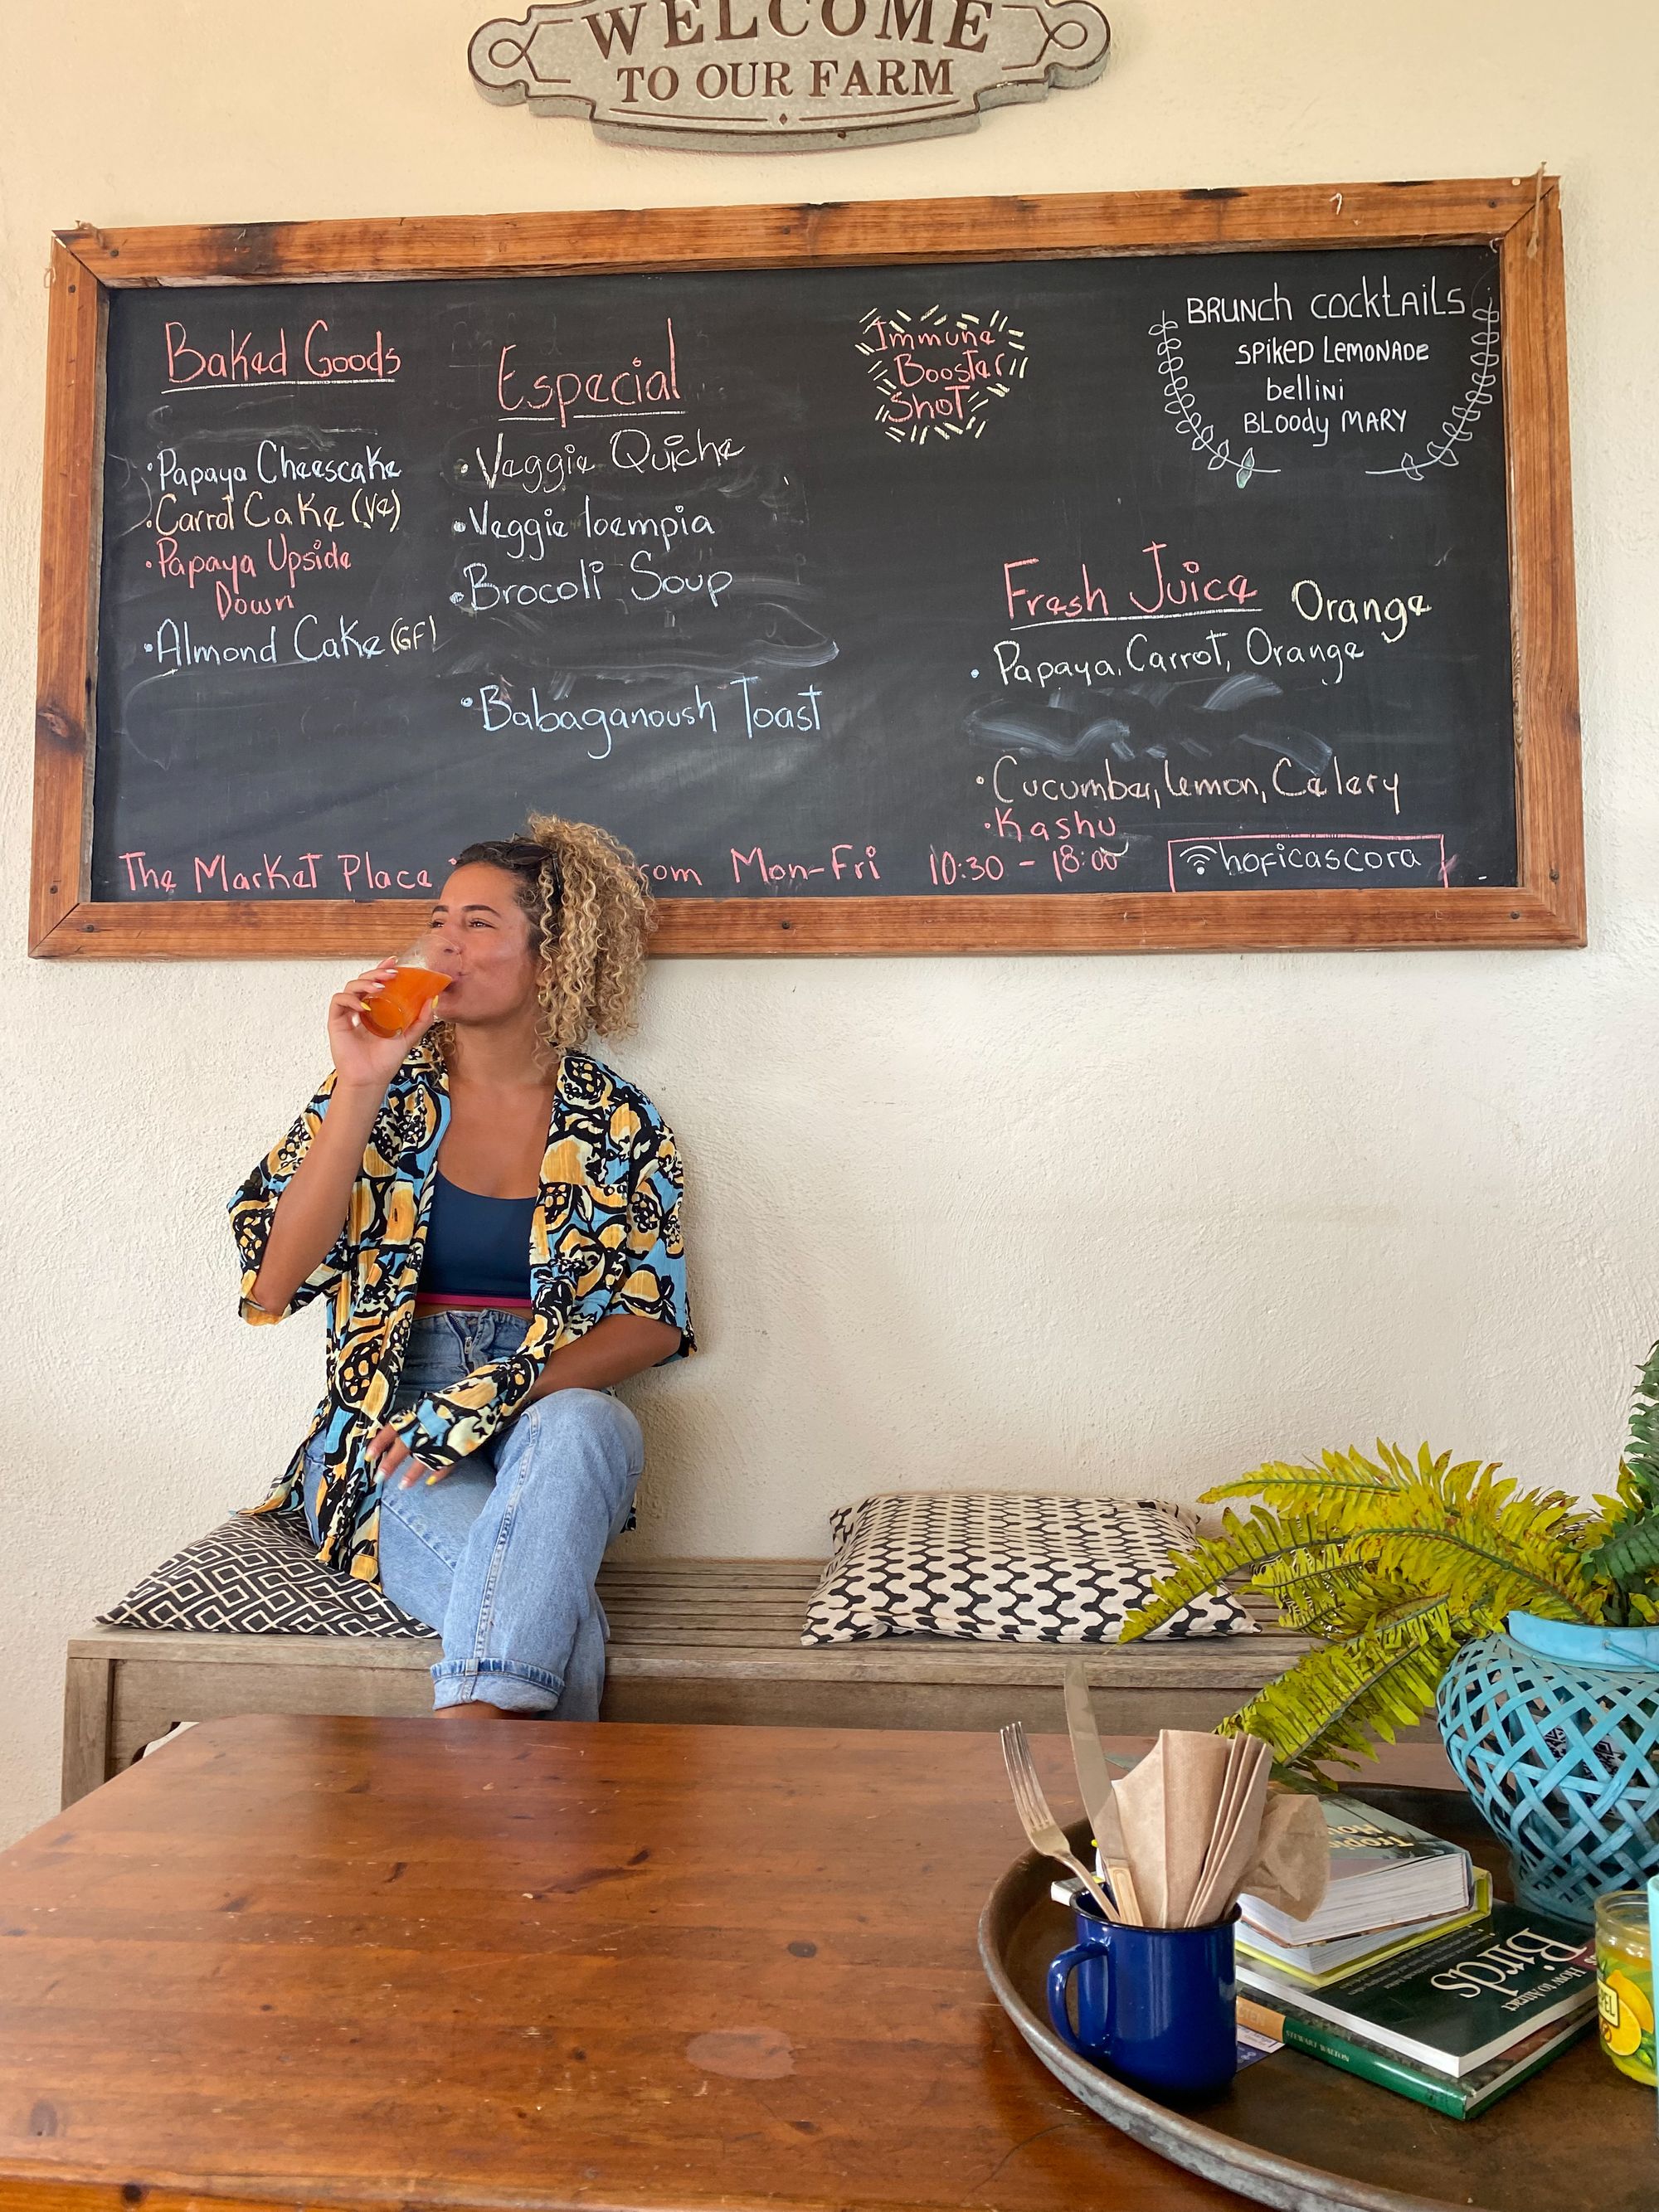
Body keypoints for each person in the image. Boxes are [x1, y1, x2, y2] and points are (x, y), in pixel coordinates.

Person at [230, 815, 692, 1722]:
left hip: (541, 1412)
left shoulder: (616, 1120)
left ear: (549, 961)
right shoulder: (374, 1096)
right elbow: (274, 1285)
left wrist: (495, 1394)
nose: (444, 939)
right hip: (388, 1428)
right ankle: (508, 1797)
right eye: (439, 918)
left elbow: (654, 1319)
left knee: (588, 1424)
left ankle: (476, 1797)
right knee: (559, 1628)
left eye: (479, 924)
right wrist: (361, 1081)